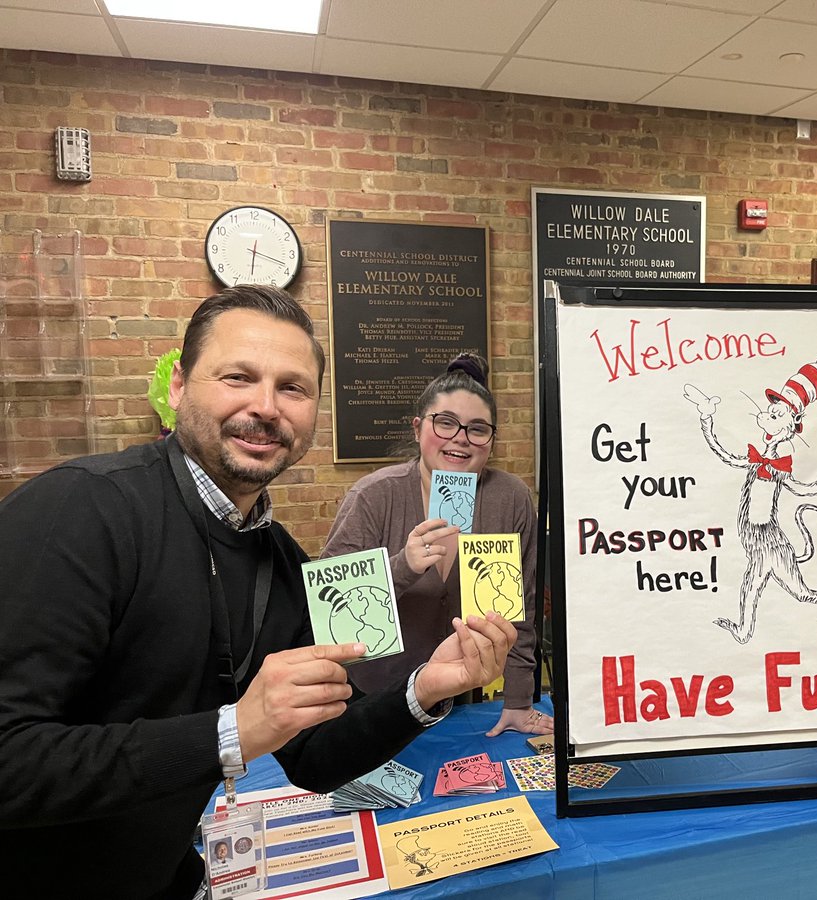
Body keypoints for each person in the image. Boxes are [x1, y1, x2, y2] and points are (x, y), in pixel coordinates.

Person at [0, 286, 516, 899]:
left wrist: (423, 689)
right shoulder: (80, 509)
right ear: (178, 387)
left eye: (293, 388)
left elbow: (315, 754)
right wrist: (231, 731)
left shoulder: (277, 559)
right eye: (238, 377)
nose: (266, 407)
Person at [323, 353, 551, 738]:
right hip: (375, 696)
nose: (461, 438)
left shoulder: (509, 498)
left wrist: (518, 701)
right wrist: (403, 566)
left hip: (463, 690)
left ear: (491, 441)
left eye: (477, 429)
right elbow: (332, 611)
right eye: (445, 423)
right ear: (417, 429)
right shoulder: (373, 495)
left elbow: (520, 609)